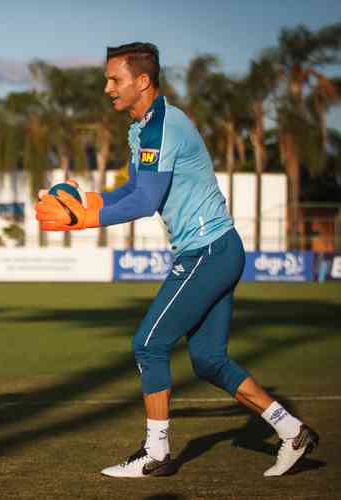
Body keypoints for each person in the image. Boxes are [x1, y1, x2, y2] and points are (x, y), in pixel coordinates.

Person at [34, 42, 318, 478]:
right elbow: (133, 190)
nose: (107, 87)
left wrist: (82, 220)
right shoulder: (143, 126)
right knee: (208, 361)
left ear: (142, 81)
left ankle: (157, 454)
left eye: (115, 79)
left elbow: (146, 202)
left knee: (149, 344)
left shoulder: (163, 126)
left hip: (209, 251)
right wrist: (86, 204)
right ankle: (292, 431)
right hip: (215, 250)